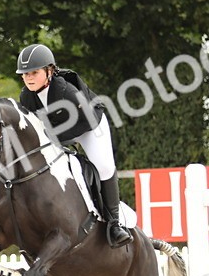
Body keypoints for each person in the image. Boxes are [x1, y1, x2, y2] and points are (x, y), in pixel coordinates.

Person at [15, 43, 133, 248]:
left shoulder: (64, 90)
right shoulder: (27, 97)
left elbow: (86, 121)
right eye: (25, 74)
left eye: (34, 72)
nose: (29, 78)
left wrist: (55, 137)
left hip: (90, 126)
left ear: (49, 71)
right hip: (59, 131)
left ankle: (114, 224)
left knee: (103, 166)